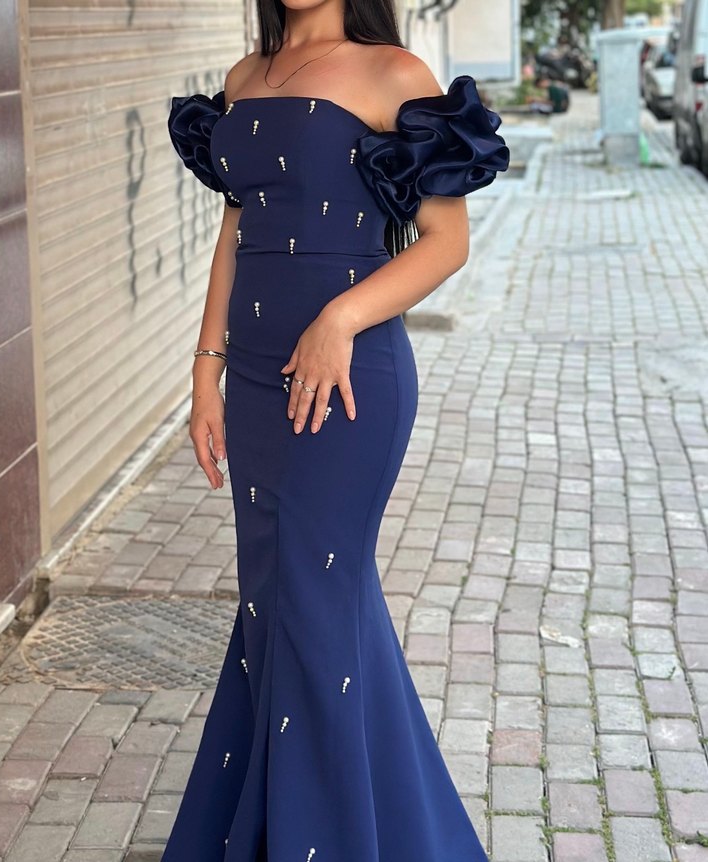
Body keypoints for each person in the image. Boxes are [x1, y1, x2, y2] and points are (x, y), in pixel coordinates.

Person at [163, 0, 510, 859]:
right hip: (254, 379)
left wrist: (340, 319)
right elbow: (235, 229)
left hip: (348, 381)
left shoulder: (395, 73)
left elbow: (445, 242)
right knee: (279, 606)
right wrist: (206, 367)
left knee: (313, 609)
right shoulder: (246, 77)